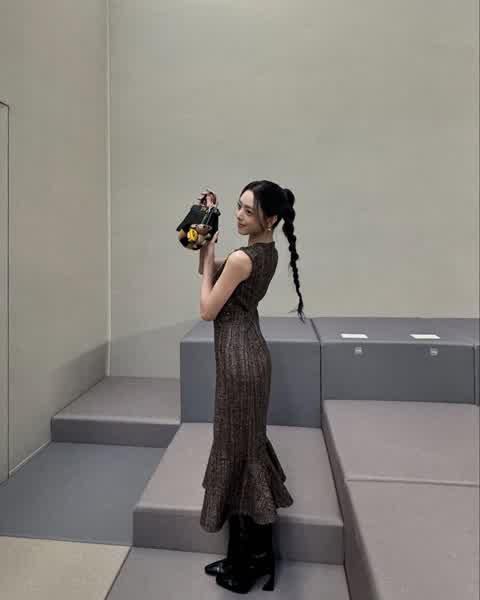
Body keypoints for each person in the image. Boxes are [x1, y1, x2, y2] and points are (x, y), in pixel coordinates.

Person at [197, 180, 305, 593]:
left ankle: (250, 563)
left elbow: (207, 309)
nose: (239, 215)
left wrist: (210, 260)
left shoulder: (244, 258)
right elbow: (208, 271)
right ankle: (244, 556)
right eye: (238, 207)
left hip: (240, 361)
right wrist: (207, 243)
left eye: (248, 210)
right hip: (247, 356)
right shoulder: (266, 252)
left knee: (239, 454)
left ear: (270, 218)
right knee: (242, 450)